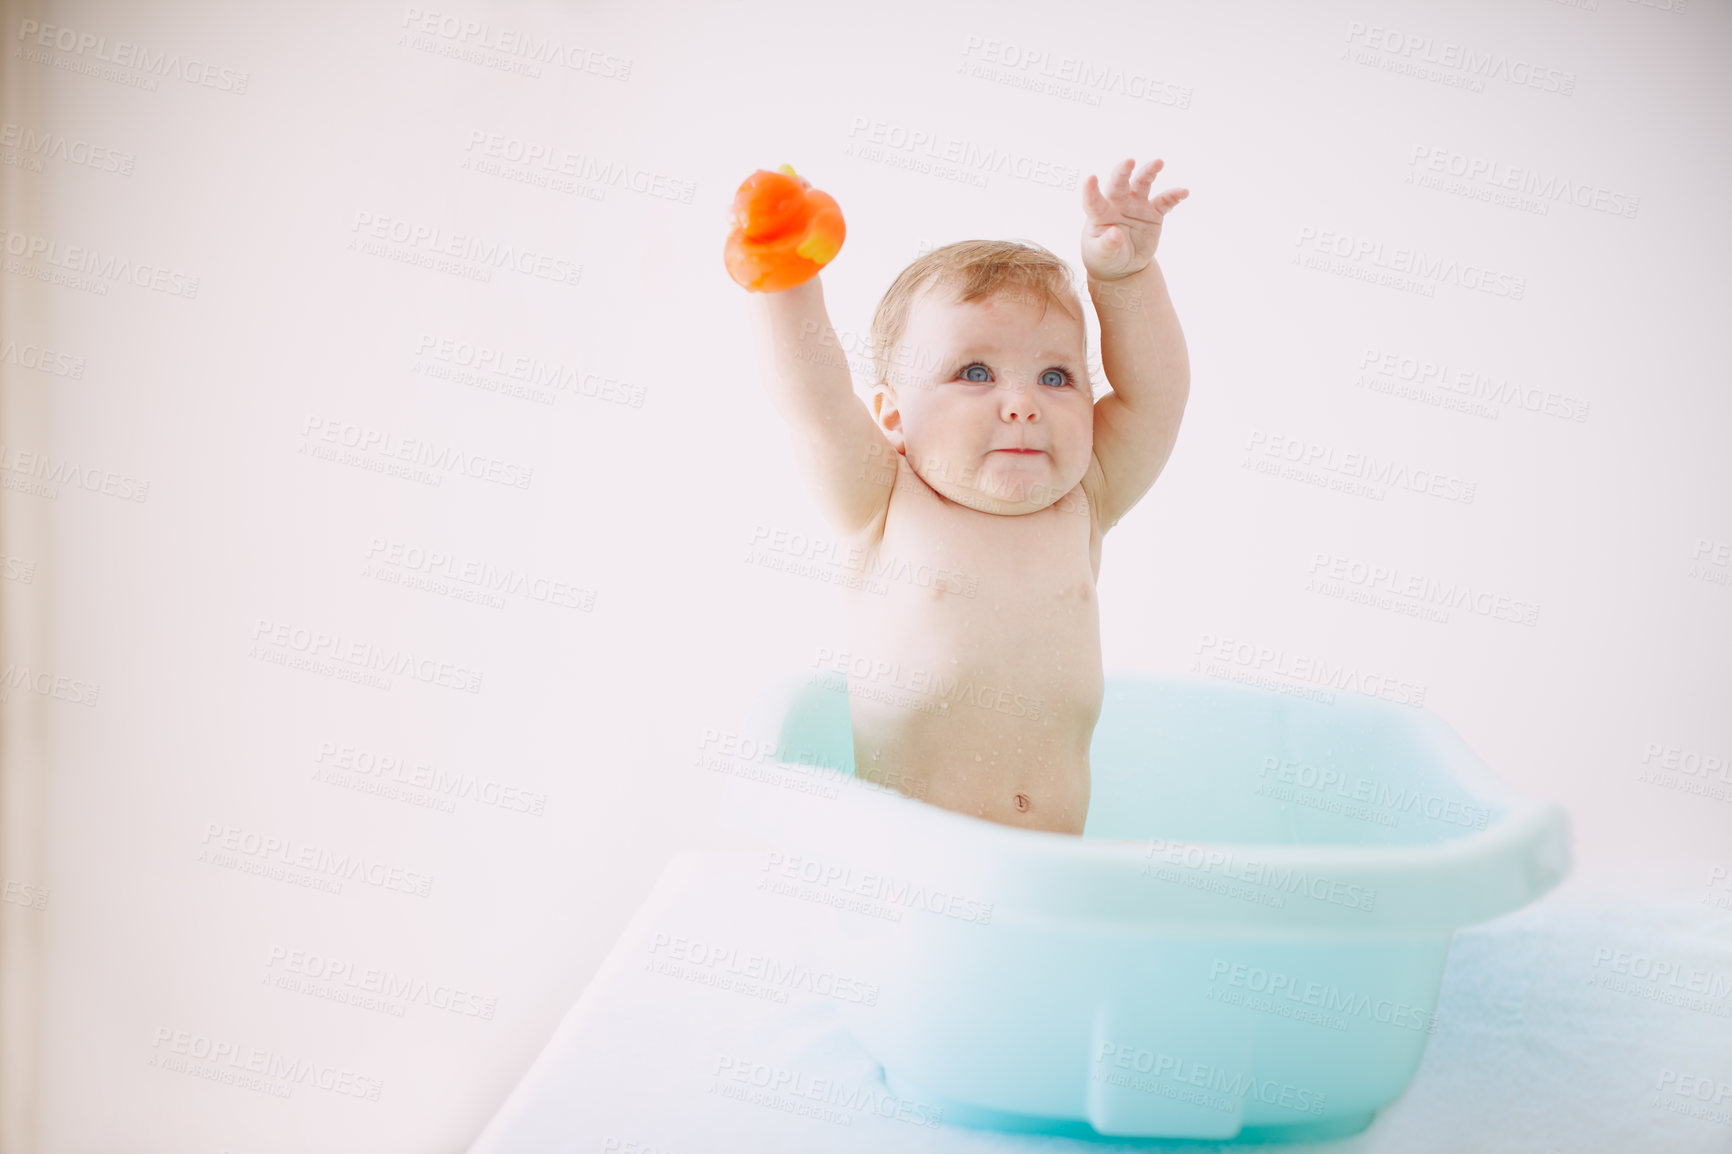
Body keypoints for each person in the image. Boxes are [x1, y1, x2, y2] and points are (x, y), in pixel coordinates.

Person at [750, 158, 1190, 834]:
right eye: (975, 372)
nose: (1022, 404)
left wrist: (1125, 278)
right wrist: (784, 272)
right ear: (893, 417)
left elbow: (1155, 399)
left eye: (1056, 375)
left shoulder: (1083, 500)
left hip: (1052, 874)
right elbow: (814, 401)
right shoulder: (884, 502)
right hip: (911, 880)